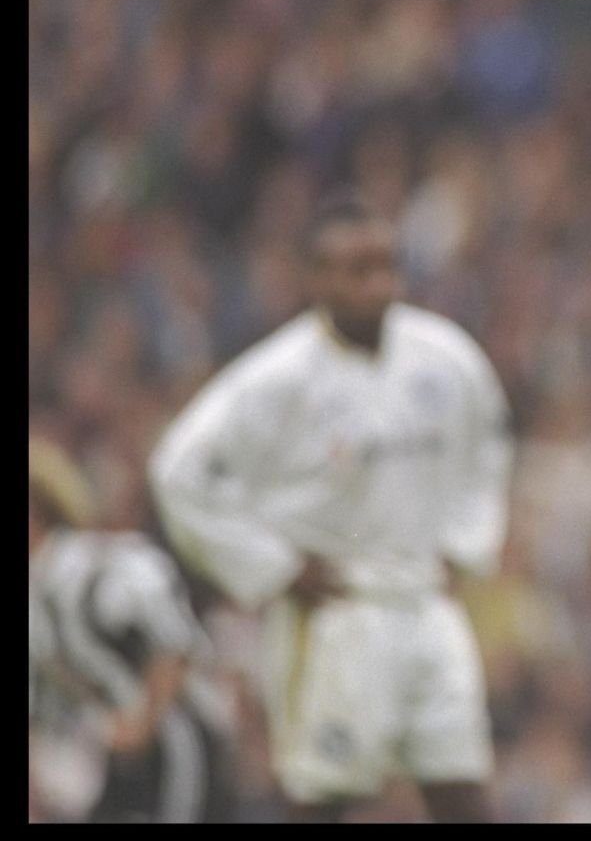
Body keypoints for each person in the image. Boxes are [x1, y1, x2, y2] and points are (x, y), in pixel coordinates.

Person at [148, 195, 513, 823]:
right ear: (317, 277)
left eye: (387, 266)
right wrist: (273, 567)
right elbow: (180, 471)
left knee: (463, 787)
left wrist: (467, 543)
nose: (379, 285)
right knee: (322, 796)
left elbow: (491, 445)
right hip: (339, 614)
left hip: (428, 602)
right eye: (358, 269)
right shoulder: (277, 379)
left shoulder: (445, 359)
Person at [29, 436, 237, 823]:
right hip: (108, 754)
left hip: (173, 742)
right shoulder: (40, 595)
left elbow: (174, 646)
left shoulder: (92, 568)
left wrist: (143, 720)